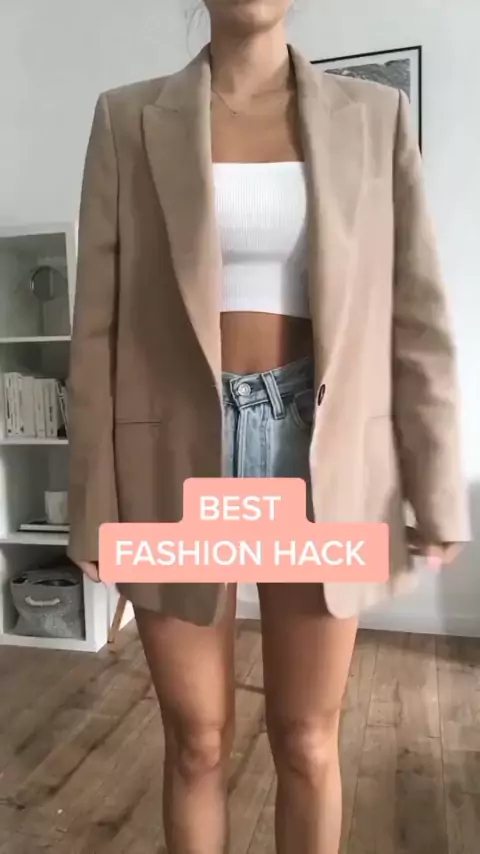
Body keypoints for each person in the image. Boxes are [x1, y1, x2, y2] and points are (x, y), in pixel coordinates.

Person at [66, 1, 469, 852]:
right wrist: (91, 502)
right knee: (197, 741)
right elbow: (96, 327)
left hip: (319, 454)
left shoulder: (377, 117)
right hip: (173, 451)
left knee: (308, 741)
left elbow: (417, 314)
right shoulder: (126, 118)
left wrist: (437, 490)